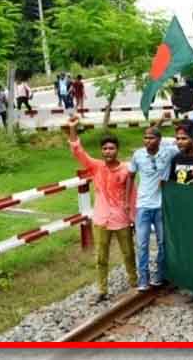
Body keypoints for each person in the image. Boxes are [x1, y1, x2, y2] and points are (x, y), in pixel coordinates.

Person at [66, 116, 137, 303]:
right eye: (104, 148)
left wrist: (133, 219)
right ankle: (102, 290)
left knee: (128, 253)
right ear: (101, 151)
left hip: (122, 219)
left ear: (117, 150)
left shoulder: (126, 170)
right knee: (101, 257)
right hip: (101, 220)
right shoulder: (96, 167)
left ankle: (135, 283)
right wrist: (72, 128)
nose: (108, 151)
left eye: (111, 148)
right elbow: (77, 151)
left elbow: (132, 196)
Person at [126, 122, 180, 292]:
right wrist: (128, 200)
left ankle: (160, 274)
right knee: (142, 243)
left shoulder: (169, 152)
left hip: (162, 206)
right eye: (145, 137)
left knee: (163, 242)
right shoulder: (138, 155)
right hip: (143, 205)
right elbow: (130, 176)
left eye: (151, 137)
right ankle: (143, 277)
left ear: (159, 140)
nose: (147, 141)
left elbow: (183, 145)